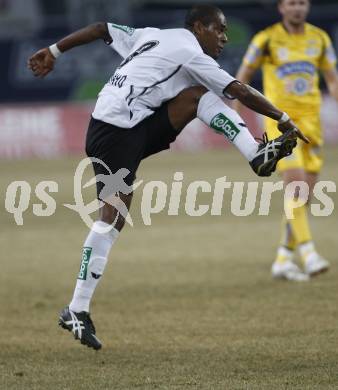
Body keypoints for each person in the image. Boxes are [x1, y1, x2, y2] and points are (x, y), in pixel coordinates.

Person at [28, 4, 306, 350]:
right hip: (114, 134)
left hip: (133, 126)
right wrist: (282, 118)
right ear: (199, 27)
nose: (224, 38)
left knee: (195, 96)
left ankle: (255, 154)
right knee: (110, 220)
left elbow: (101, 28)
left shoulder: (152, 36)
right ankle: (76, 309)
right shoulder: (190, 51)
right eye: (219, 30)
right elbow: (239, 90)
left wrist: (55, 50)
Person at [235, 0, 338, 282]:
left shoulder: (320, 38)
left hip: (312, 125)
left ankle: (283, 257)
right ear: (281, 8)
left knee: (305, 196)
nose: (298, 9)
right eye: (292, 3)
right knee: (295, 189)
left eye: (302, 3)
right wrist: (234, 119)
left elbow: (332, 79)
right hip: (282, 123)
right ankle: (308, 253)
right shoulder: (265, 39)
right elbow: (240, 80)